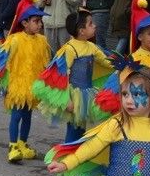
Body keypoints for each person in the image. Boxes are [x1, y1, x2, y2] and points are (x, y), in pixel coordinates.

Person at [0, 0, 52, 162]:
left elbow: (46, 62)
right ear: (25, 23)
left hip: (33, 86)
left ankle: (23, 143)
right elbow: (0, 57)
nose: (39, 25)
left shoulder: (42, 41)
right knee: (17, 115)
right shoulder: (15, 39)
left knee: (28, 116)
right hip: (17, 85)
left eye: (40, 21)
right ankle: (13, 145)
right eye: (36, 21)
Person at [34, 9, 112, 143]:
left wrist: (121, 65)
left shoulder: (92, 47)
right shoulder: (70, 49)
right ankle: (67, 156)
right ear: (82, 31)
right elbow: (61, 74)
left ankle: (76, 156)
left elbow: (106, 62)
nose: (95, 26)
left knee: (82, 129)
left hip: (87, 94)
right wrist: (66, 99)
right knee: (74, 128)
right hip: (75, 96)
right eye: (90, 24)